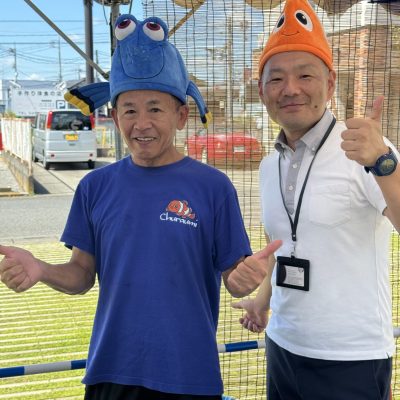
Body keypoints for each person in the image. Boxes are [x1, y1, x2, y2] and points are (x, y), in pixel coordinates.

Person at [0, 14, 281, 400]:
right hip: (111, 370)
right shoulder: (94, 187)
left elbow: (233, 277)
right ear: (115, 117)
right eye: (129, 110)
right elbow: (81, 275)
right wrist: (41, 269)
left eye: (155, 109)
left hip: (189, 374)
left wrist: (244, 279)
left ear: (181, 116)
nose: (141, 123)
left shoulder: (213, 188)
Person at [232, 0, 400, 399]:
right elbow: (282, 246)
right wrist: (262, 301)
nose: (290, 89)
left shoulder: (366, 150)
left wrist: (384, 163)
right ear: (262, 91)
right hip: (282, 346)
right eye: (276, 79)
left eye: (305, 75)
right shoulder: (268, 165)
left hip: (351, 358)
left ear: (330, 82)